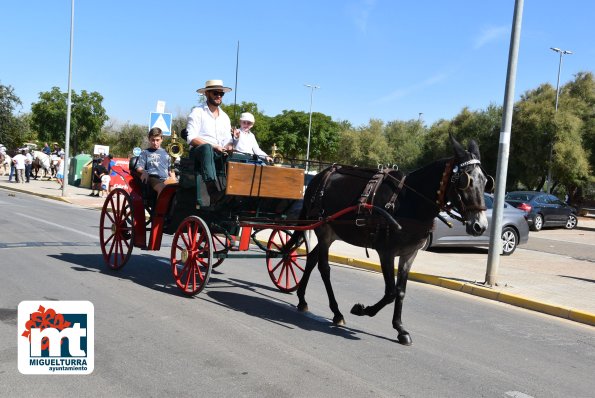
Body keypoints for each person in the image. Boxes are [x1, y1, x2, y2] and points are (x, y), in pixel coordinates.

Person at [185, 79, 232, 197]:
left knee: (237, 155)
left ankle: (234, 189)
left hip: (219, 153)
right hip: (199, 153)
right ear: (207, 94)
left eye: (221, 94)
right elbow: (191, 137)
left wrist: (230, 146)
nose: (219, 96)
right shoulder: (197, 112)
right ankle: (211, 188)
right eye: (215, 93)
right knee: (207, 148)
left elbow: (227, 140)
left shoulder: (225, 117)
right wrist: (214, 146)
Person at [135, 127, 175, 196]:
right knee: (162, 188)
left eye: (157, 140)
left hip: (166, 178)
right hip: (153, 178)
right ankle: (160, 207)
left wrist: (174, 179)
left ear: (162, 139)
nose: (155, 143)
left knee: (176, 188)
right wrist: (144, 172)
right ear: (149, 139)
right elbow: (139, 167)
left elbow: (170, 169)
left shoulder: (167, 153)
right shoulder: (145, 152)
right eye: (153, 140)